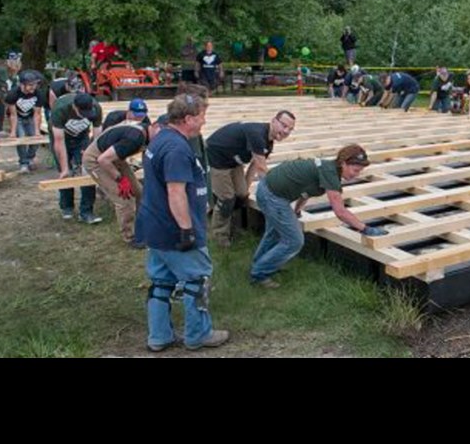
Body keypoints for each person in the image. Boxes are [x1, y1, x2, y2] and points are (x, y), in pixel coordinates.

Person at [136, 93, 229, 352]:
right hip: (174, 229)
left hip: (155, 226)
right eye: (201, 117)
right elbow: (175, 192)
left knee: (161, 282)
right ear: (188, 119)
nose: (204, 122)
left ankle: (159, 337)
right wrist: (187, 230)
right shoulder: (177, 148)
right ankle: (198, 335)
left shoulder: (161, 138)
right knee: (196, 280)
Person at [250, 144, 388, 288]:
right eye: (355, 170)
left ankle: (262, 264)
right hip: (272, 196)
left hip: (269, 189)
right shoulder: (330, 174)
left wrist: (297, 210)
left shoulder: (328, 168)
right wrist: (365, 229)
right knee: (294, 241)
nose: (356, 174)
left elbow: (306, 191)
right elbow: (340, 211)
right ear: (343, 163)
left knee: (274, 233)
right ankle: (260, 274)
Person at [206, 111, 296, 247]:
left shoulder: (269, 142)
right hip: (216, 157)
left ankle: (229, 223)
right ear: (274, 120)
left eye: (290, 129)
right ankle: (219, 237)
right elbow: (262, 169)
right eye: (284, 125)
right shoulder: (257, 134)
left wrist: (244, 191)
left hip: (233, 161)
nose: (286, 131)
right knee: (227, 198)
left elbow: (254, 166)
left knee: (241, 194)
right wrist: (277, 194)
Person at [84, 114, 164, 247]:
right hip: (96, 161)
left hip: (113, 158)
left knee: (138, 192)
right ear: (155, 126)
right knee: (124, 198)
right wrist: (120, 179)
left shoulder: (146, 131)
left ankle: (141, 227)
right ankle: (130, 237)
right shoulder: (135, 138)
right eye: (162, 133)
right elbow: (103, 160)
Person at [51, 91, 104, 223]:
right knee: (65, 172)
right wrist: (64, 168)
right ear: (75, 107)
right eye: (82, 113)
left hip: (82, 138)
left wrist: (94, 157)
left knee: (87, 171)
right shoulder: (60, 109)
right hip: (62, 138)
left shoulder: (96, 108)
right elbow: (58, 140)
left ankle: (86, 212)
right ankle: (67, 207)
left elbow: (98, 136)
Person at [4, 71, 46, 173]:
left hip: (30, 117)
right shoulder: (13, 94)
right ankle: (23, 163)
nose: (33, 87)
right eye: (30, 85)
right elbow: (13, 115)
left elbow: (37, 114)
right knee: (21, 139)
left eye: (35, 85)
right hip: (18, 118)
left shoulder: (38, 94)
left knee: (35, 140)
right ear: (22, 85)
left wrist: (37, 131)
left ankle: (30, 158)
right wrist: (13, 132)